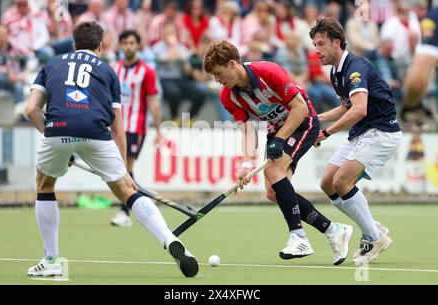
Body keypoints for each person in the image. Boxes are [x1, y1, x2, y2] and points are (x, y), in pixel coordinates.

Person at [25, 21, 198, 278]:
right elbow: (118, 128)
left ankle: (51, 259)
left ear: (74, 45)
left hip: (57, 127)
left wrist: (55, 136)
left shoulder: (51, 65)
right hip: (96, 132)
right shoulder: (108, 71)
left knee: (45, 184)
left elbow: (31, 110)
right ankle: (169, 237)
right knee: (127, 191)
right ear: (100, 46)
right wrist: (125, 168)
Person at [203, 40, 353, 265]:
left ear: (232, 64)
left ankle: (299, 237)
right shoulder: (228, 96)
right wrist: (246, 164)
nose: (217, 80)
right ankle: (334, 230)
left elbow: (300, 107)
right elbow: (248, 130)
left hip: (303, 123)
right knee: (273, 192)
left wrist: (281, 139)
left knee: (274, 171)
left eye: (218, 73)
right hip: (277, 131)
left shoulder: (268, 72)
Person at [309, 18, 402, 266]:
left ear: (336, 43)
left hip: (382, 131)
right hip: (362, 131)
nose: (316, 50)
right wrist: (316, 120)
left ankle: (373, 237)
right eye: (314, 44)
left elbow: (359, 109)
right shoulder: (336, 71)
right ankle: (372, 227)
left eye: (321, 44)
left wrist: (326, 133)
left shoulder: (355, 67)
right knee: (327, 183)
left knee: (342, 181)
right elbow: (345, 107)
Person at [110, 30, 163, 227]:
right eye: (124, 43)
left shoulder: (147, 71)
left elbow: (153, 103)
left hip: (135, 127)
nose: (128, 47)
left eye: (132, 43)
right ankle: (142, 202)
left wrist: (158, 130)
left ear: (138, 46)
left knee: (125, 168)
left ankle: (125, 212)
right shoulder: (114, 69)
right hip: (115, 126)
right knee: (120, 169)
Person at [403, 6, 438, 118]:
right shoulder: (434, 17)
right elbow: (415, 84)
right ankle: (414, 111)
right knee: (416, 85)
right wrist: (412, 106)